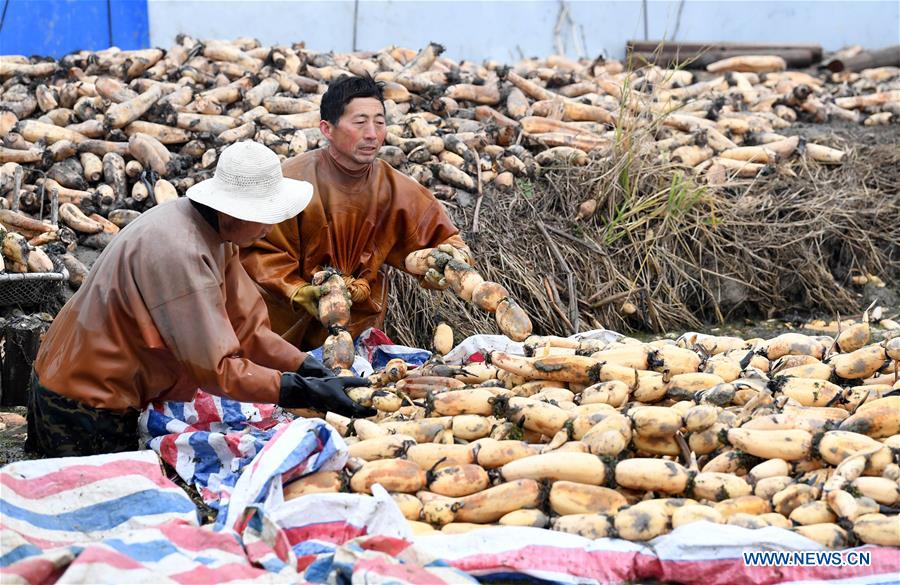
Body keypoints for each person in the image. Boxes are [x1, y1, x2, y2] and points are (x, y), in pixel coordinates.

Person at [27, 141, 374, 458]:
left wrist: (303, 365)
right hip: (83, 396)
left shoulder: (219, 236)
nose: (270, 229)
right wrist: (301, 391)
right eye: (265, 218)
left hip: (98, 381)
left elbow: (247, 329)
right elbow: (217, 368)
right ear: (232, 211)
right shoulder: (182, 252)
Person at [241, 75, 471, 350]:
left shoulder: (394, 188)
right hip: (280, 327)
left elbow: (444, 239)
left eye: (379, 122)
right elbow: (254, 250)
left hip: (357, 324)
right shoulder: (290, 180)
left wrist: (450, 262)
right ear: (327, 129)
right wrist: (298, 291)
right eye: (360, 123)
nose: (372, 134)